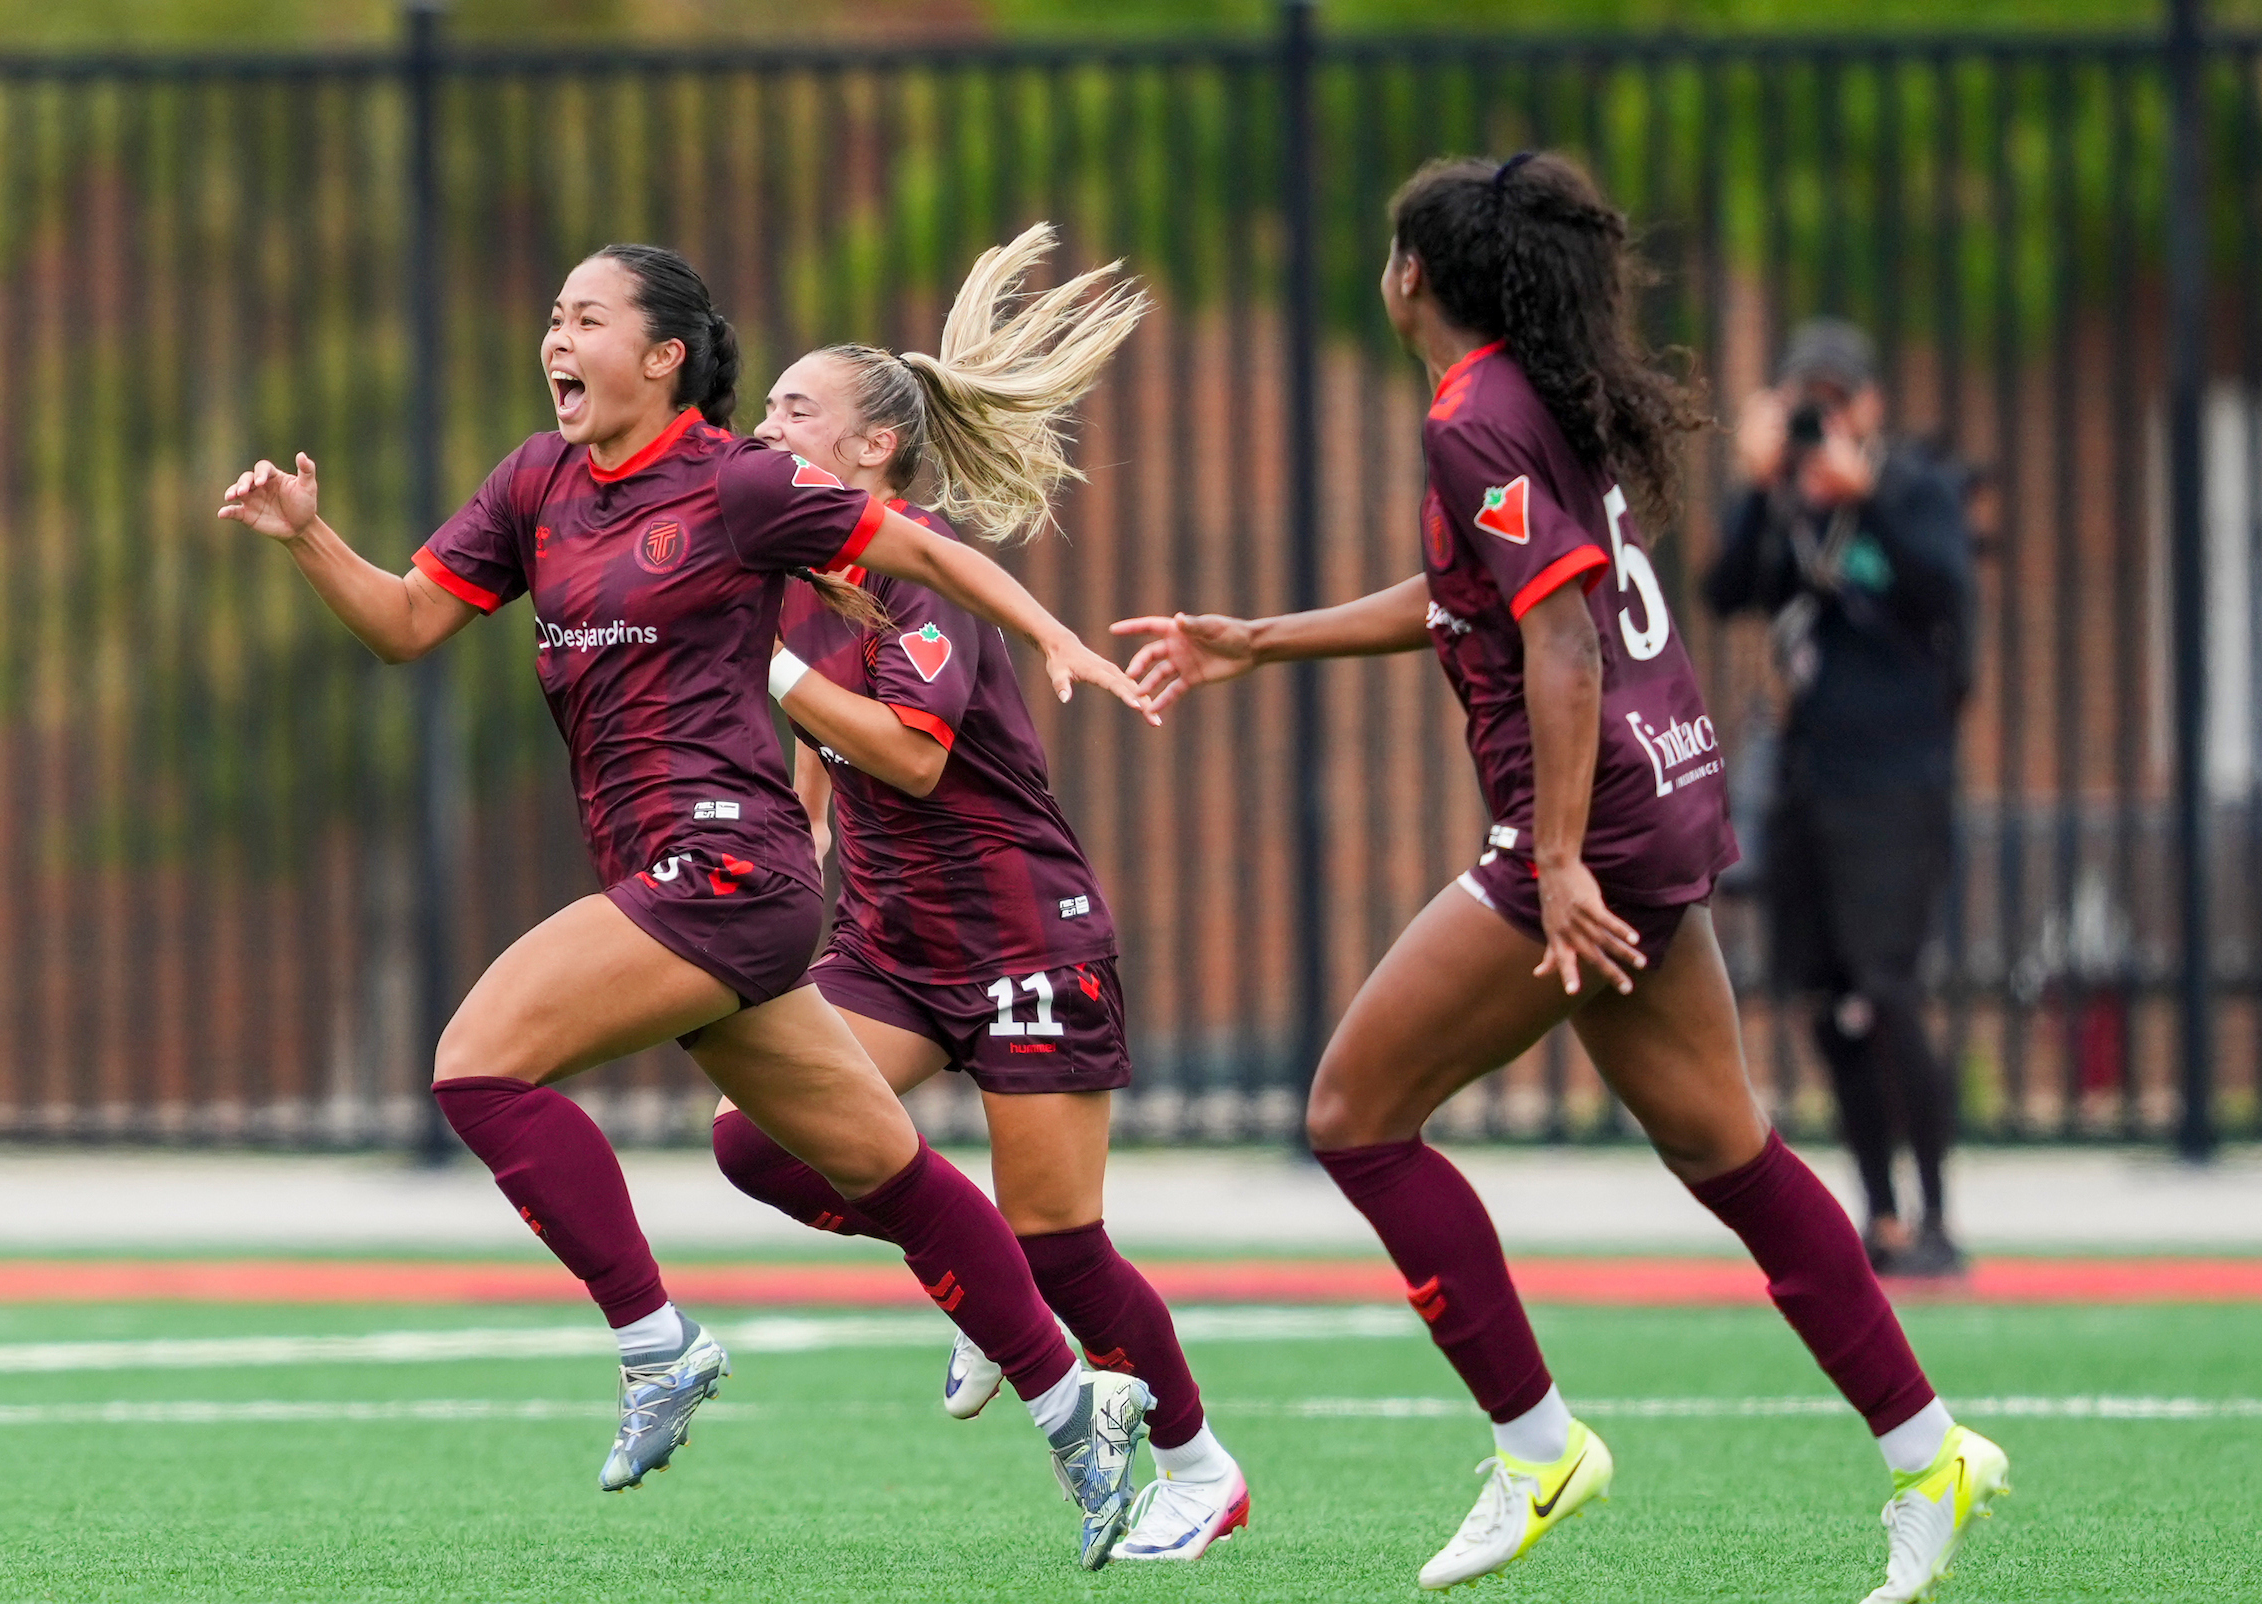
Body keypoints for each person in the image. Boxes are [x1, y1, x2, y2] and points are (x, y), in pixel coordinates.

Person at [1112, 153, 2007, 1602]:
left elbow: (1565, 645)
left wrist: (1558, 858)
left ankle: (1537, 1447)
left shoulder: (1475, 420)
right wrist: (1258, 640)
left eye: (1390, 250)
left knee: (1354, 1115)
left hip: (1594, 838)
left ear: (1417, 276)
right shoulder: (1533, 403)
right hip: (1667, 801)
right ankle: (1930, 1449)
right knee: (1731, 1154)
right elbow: (1478, 597)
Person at [216, 242, 1162, 1569]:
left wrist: (1058, 636)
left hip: (728, 871)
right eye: (552, 316)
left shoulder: (739, 481)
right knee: (887, 1173)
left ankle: (657, 1342)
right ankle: (1079, 1419)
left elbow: (927, 554)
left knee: (478, 1063)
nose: (558, 338)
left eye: (587, 317)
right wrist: (311, 538)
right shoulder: (536, 481)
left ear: (664, 356)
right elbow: (409, 623)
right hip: (674, 881)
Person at [708, 224, 1249, 1563]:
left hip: (1022, 942)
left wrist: (786, 696)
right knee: (754, 1138)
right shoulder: (793, 574)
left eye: (795, 407)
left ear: (872, 448)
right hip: (893, 948)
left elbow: (905, 744)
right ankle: (982, 1284)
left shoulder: (918, 571)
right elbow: (835, 749)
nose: (765, 424)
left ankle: (1197, 1466)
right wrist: (809, 825)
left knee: (1063, 1244)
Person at [1703, 318, 1978, 1278]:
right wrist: (1753, 482)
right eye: (1801, 401)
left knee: (1887, 988)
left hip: (1897, 781)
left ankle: (1938, 1212)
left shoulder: (1915, 491)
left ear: (1869, 407)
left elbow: (1948, 593)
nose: (1820, 421)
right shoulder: (1787, 511)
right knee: (1825, 999)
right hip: (1809, 782)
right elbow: (1725, 589)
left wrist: (1870, 499)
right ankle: (1882, 1213)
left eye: (1833, 400)